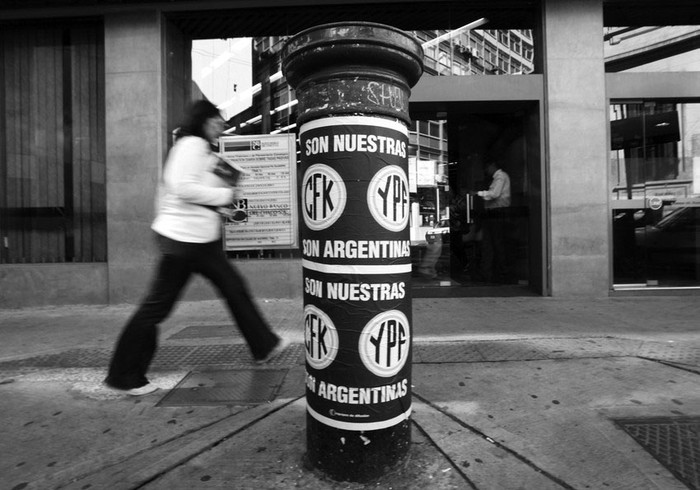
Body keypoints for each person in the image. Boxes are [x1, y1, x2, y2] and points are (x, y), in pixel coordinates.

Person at [104, 100, 288, 396]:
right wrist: (224, 194)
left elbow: (197, 195)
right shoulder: (189, 145)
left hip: (201, 241)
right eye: (217, 120)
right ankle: (124, 375)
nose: (221, 126)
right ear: (203, 120)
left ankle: (264, 346)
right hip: (183, 241)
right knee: (156, 308)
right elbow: (182, 188)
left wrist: (224, 203)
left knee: (234, 288)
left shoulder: (204, 152)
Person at [476, 161, 511, 282]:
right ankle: (493, 272)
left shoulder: (500, 176)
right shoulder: (498, 177)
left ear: (492, 165)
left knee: (495, 243)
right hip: (495, 213)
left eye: (487, 167)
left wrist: (478, 193)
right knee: (493, 243)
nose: (486, 170)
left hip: (497, 212)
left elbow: (495, 194)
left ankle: (501, 272)